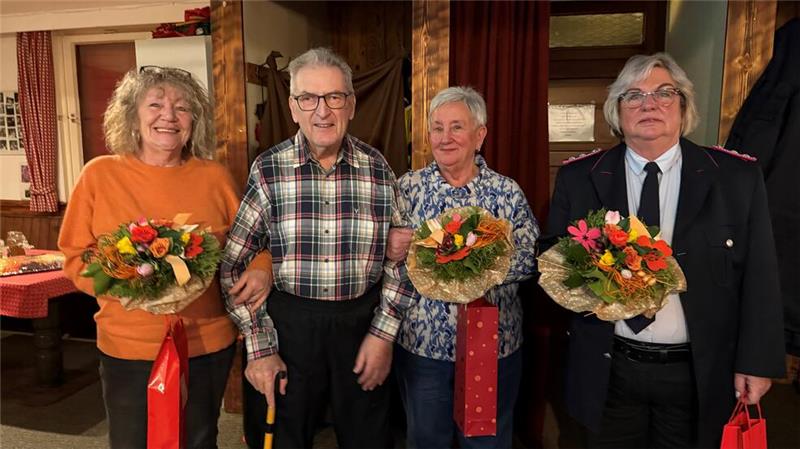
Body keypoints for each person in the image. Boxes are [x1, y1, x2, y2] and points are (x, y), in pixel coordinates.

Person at [545, 52, 785, 447]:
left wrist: (757, 363)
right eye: (633, 96)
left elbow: (760, 276)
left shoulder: (735, 178)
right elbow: (558, 267)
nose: (648, 104)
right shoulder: (578, 177)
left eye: (663, 93)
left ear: (683, 105)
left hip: (699, 372)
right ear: (617, 112)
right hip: (610, 369)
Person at [220, 47, 414, 449]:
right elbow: (234, 266)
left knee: (370, 439)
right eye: (308, 98)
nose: (321, 111)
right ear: (293, 107)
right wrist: (259, 349)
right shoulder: (268, 170)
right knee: (279, 439)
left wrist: (383, 335)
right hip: (289, 326)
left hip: (361, 324)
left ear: (352, 105)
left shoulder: (378, 169)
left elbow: (402, 261)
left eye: (334, 97)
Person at [58, 66, 259, 448]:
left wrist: (261, 268)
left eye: (182, 108)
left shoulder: (215, 178)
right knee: (133, 440)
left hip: (206, 343)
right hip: (128, 346)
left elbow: (250, 246)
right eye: (155, 105)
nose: (168, 116)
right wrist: (133, 285)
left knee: (199, 438)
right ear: (132, 117)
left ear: (193, 122)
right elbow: (75, 257)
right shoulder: (99, 175)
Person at [386, 86, 539, 449]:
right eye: (437, 128)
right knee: (425, 440)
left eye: (457, 127)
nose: (445, 138)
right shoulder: (408, 188)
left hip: (493, 347)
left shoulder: (506, 192)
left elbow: (531, 257)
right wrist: (389, 250)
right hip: (423, 347)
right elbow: (388, 261)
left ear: (480, 134)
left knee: (486, 441)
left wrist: (472, 261)